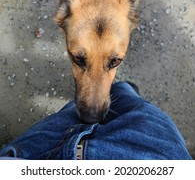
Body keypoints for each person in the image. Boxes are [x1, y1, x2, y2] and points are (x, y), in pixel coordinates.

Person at [0, 82, 192, 160]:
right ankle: (122, 89)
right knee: (140, 110)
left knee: (70, 113)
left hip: (32, 159)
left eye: (114, 61)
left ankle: (122, 89)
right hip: (154, 159)